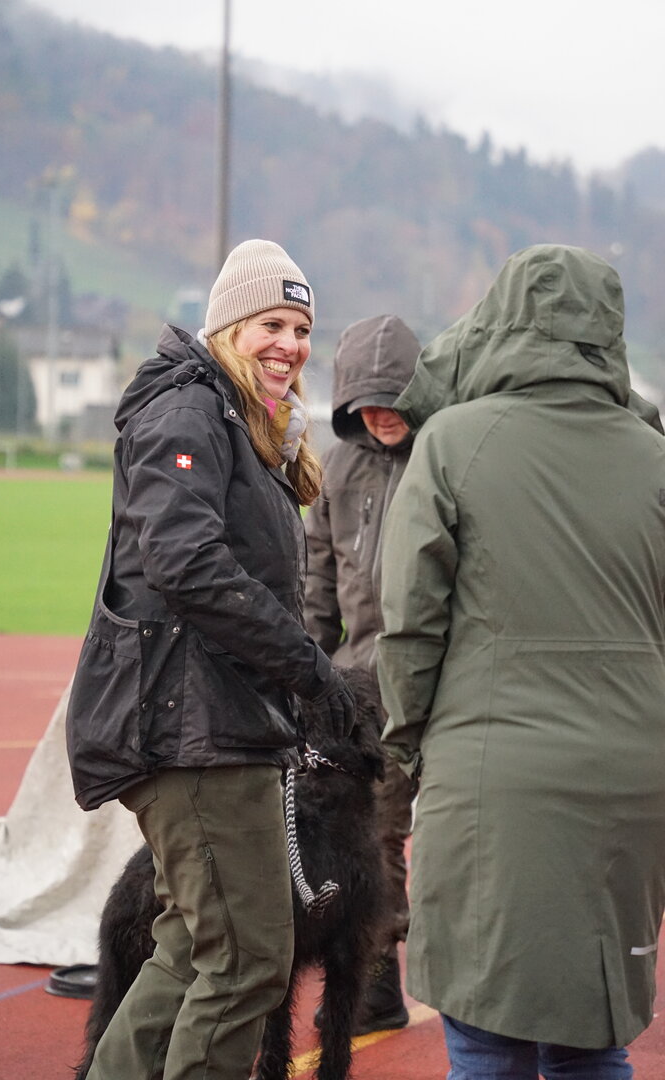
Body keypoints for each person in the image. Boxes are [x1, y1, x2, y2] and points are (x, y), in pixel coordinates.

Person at [65, 239, 356, 1080]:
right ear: (230, 326)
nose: (291, 345)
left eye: (302, 329)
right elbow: (186, 562)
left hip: (216, 722)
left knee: (194, 949)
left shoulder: (238, 421)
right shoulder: (190, 411)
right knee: (248, 961)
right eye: (273, 324)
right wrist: (308, 668)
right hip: (193, 731)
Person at [376, 243, 665, 1080]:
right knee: (593, 1034)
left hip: (488, 773)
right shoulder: (654, 455)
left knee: (485, 1035)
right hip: (633, 775)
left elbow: (410, 624)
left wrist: (403, 751)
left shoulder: (453, 442)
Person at [304, 313, 421, 1033]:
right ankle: (378, 987)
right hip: (360, 692)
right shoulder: (337, 468)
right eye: (363, 401)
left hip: (436, 680)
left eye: (392, 398)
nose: (378, 413)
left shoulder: (444, 456)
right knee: (371, 835)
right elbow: (317, 579)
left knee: (447, 842)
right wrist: (307, 672)